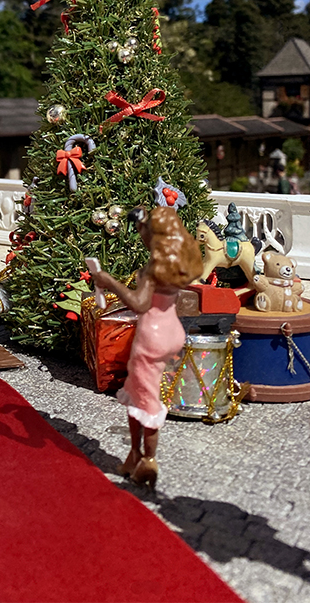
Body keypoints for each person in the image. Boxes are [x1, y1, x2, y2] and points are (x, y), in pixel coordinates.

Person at [88, 206, 203, 487]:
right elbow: (150, 238)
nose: (143, 233)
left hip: (151, 335)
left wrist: (109, 282)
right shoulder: (174, 260)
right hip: (170, 330)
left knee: (147, 401)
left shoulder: (154, 270)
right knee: (138, 392)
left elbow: (139, 304)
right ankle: (134, 454)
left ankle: (148, 460)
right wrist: (142, 223)